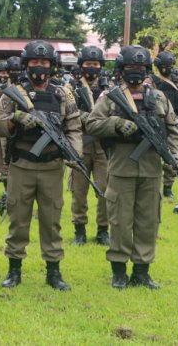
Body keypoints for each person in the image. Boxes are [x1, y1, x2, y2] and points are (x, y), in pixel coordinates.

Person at [86, 45, 178, 289]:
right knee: (119, 221)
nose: (135, 72)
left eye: (140, 68)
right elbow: (92, 125)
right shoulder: (110, 97)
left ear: (147, 70)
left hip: (151, 170)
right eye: (130, 67)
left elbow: (173, 130)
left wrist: (175, 156)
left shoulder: (159, 97)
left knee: (148, 221)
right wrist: (116, 124)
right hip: (121, 169)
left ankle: (142, 271)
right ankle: (119, 271)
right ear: (121, 69)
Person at [0, 40, 81, 291]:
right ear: (26, 64)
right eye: (34, 62)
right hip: (22, 165)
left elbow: (74, 126)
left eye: (44, 63)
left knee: (51, 220)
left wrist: (74, 155)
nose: (39, 67)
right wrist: (14, 119)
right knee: (18, 218)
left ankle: (53, 271)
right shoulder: (13, 92)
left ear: (52, 65)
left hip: (52, 166)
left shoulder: (63, 93)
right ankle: (14, 270)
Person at [69, 46, 109, 246]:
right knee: (79, 190)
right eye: (88, 64)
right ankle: (79, 229)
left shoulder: (109, 90)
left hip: (103, 147)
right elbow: (67, 113)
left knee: (105, 190)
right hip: (80, 144)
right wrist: (88, 117)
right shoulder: (71, 88)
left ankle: (103, 229)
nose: (91, 68)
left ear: (100, 66)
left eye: (95, 65)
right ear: (81, 65)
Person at [150, 51, 178, 198]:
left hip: (173, 121)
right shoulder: (152, 80)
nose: (166, 69)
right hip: (156, 121)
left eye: (169, 66)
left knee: (174, 154)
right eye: (164, 66)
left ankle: (168, 186)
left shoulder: (177, 82)